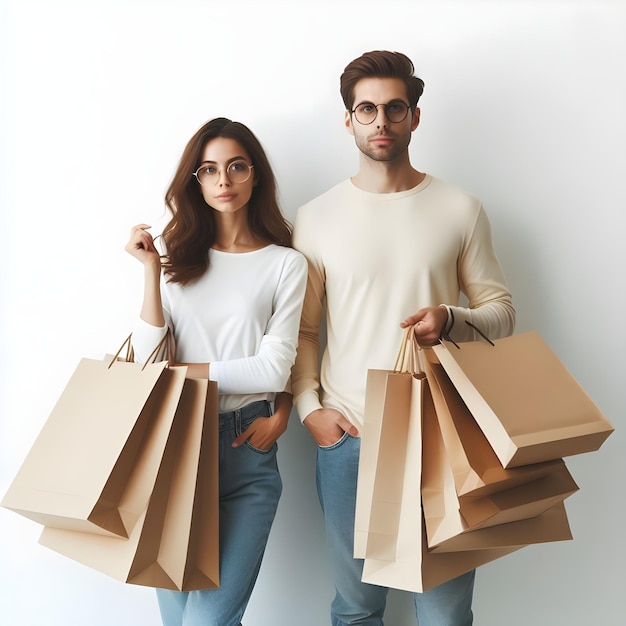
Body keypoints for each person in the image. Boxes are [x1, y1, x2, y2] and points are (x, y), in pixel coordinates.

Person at [291, 51, 515, 626]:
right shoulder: (315, 218)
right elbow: (306, 329)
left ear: (416, 116)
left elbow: (501, 312)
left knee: (444, 613)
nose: (381, 122)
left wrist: (450, 316)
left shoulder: (460, 209)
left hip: (443, 437)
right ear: (349, 121)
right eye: (367, 109)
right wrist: (311, 409)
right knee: (358, 608)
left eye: (395, 108)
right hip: (351, 437)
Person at [125, 117, 308, 626]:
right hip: (172, 448)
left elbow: (275, 366)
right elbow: (148, 360)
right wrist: (149, 272)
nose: (223, 180)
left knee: (208, 622)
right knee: (179, 620)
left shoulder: (285, 264)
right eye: (209, 170)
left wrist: (280, 407)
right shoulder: (176, 261)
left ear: (255, 177)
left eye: (236, 167)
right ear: (196, 182)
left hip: (245, 448)